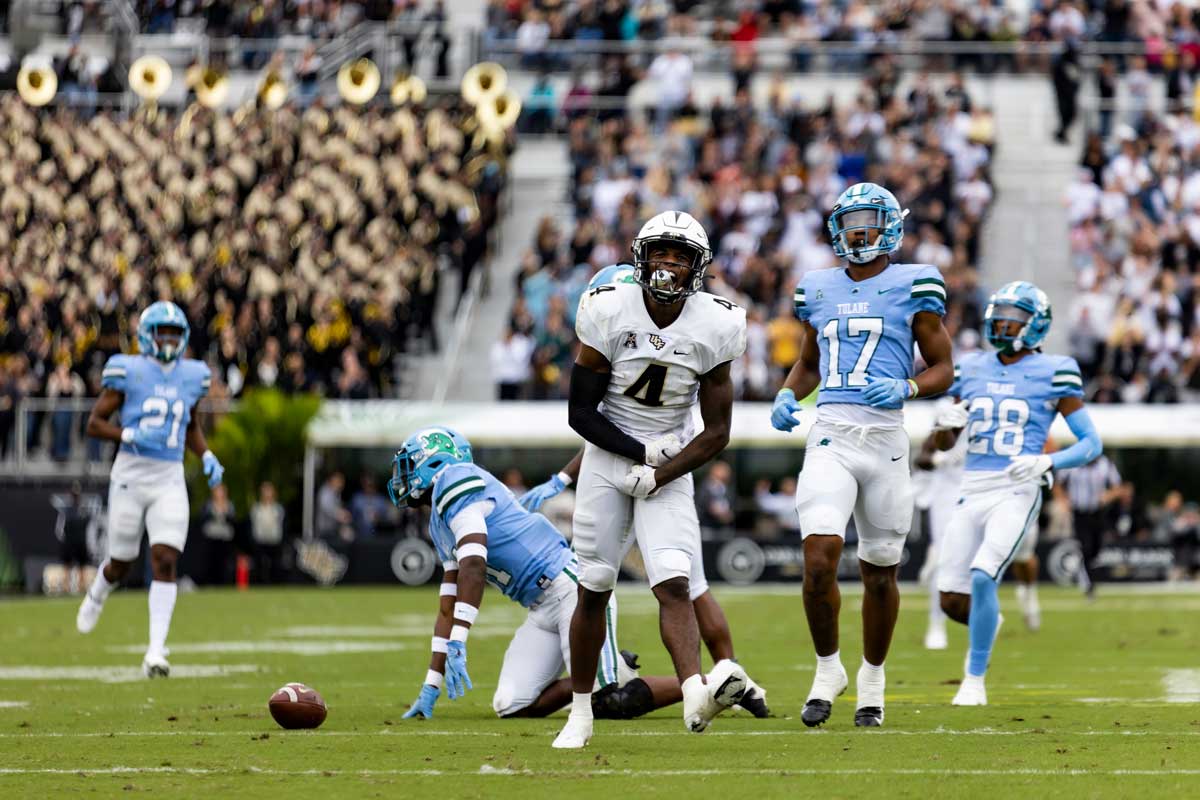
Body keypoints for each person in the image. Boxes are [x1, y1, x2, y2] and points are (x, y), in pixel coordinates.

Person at [554, 211, 751, 749]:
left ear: (698, 267)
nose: (669, 263)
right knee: (593, 587)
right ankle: (580, 712)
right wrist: (641, 453)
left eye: (680, 255)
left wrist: (661, 471)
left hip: (672, 461)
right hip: (610, 453)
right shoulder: (608, 307)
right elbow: (581, 412)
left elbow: (717, 433)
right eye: (661, 252)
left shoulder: (717, 324)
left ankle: (694, 692)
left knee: (674, 581)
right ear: (641, 257)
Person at [770, 182, 955, 728]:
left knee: (879, 573)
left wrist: (910, 388)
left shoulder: (914, 282)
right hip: (831, 432)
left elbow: (944, 366)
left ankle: (872, 678)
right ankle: (829, 669)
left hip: (886, 441)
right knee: (819, 560)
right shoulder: (816, 287)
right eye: (851, 222)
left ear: (890, 225)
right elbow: (809, 361)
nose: (859, 232)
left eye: (869, 220)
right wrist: (787, 391)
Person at [390, 427, 683, 722]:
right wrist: (431, 684)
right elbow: (448, 607)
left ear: (436, 462)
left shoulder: (455, 479)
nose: (401, 476)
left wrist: (460, 638)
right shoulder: (438, 525)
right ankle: (610, 670)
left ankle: (705, 684)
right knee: (512, 705)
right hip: (540, 608)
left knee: (609, 702)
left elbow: (474, 565)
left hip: (572, 590)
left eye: (409, 464)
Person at [932, 281, 1102, 706]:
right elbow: (943, 445)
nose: (1004, 324)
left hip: (1016, 487)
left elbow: (1090, 444)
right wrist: (943, 425)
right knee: (952, 599)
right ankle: (988, 620)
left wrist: (1048, 462)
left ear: (1036, 324)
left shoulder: (1056, 370)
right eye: (1001, 315)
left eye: (1016, 318)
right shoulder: (970, 367)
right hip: (971, 487)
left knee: (983, 573)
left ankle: (974, 681)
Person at [75, 301, 225, 678]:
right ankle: (99, 589)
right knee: (122, 562)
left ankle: (156, 651)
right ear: (147, 334)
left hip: (169, 475)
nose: (170, 340)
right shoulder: (129, 370)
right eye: (164, 332)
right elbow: (94, 423)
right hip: (130, 473)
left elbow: (189, 423)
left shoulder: (192, 375)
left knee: (165, 558)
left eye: (176, 333)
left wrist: (206, 454)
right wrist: (128, 432)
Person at [1055, 453, 1122, 598]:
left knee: (1096, 548)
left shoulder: (1106, 464)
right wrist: (1063, 500)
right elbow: (1057, 484)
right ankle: (1088, 586)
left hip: (1097, 512)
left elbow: (1117, 487)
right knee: (1085, 546)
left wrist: (1108, 496)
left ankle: (1088, 577)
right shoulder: (1072, 463)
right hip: (1079, 512)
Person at [250, 481, 287, 584]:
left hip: (275, 541)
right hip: (260, 541)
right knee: (260, 566)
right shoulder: (256, 509)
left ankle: (275, 585)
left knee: (275, 566)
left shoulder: (279, 509)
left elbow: (282, 526)